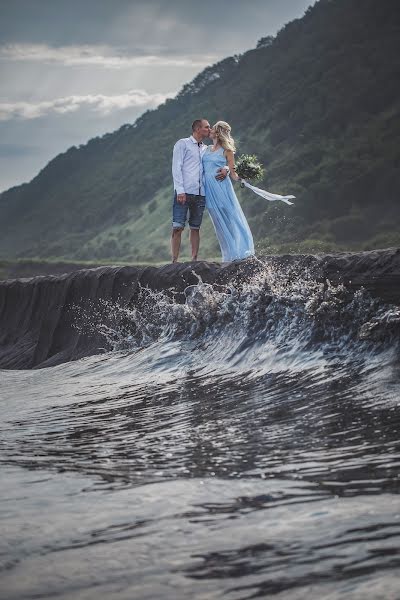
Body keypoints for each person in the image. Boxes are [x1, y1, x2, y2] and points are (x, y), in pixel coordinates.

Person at [171, 119, 227, 263]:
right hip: (184, 192)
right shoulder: (182, 144)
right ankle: (174, 261)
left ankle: (194, 260)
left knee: (195, 227)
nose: (209, 129)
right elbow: (176, 168)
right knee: (178, 227)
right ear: (197, 129)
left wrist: (226, 169)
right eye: (207, 127)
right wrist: (180, 190)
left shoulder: (206, 149)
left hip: (201, 193)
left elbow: (221, 159)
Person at [203, 121, 255, 262]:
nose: (210, 130)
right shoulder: (206, 149)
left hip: (222, 188)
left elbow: (233, 174)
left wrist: (241, 176)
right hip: (209, 190)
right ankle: (227, 255)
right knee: (218, 222)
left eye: (212, 128)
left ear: (218, 132)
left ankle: (238, 253)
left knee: (230, 219)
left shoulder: (227, 150)